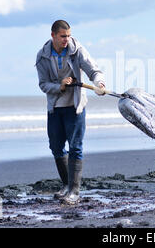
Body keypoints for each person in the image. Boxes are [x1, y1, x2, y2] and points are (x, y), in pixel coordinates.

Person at [35, 20, 106, 204]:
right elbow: (43, 85)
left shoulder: (77, 50)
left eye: (68, 35)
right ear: (53, 35)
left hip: (75, 107)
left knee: (75, 147)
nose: (67, 39)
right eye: (63, 36)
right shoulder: (42, 56)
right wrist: (60, 86)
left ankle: (74, 191)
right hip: (55, 107)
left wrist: (99, 84)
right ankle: (67, 186)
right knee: (56, 148)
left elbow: (94, 70)